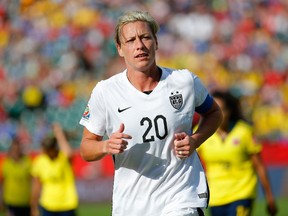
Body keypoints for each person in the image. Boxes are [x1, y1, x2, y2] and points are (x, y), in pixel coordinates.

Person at [79, 10, 223, 216]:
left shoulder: (184, 81)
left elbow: (214, 113)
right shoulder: (105, 92)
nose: (139, 45)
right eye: (130, 40)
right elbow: (86, 147)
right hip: (131, 204)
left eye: (145, 37)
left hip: (181, 196)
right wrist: (105, 145)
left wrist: (195, 140)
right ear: (120, 49)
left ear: (156, 42)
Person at [197, 90, 278, 216]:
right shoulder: (201, 133)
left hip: (242, 192)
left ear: (230, 111)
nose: (218, 114)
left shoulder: (244, 132)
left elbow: (259, 166)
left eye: (222, 109)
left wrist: (269, 196)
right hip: (216, 197)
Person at [30, 122, 78, 216]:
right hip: (48, 205)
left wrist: (59, 134)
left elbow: (69, 153)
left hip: (67, 204)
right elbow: (36, 186)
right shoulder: (40, 161)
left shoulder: (63, 157)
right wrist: (34, 206)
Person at [0, 137, 32, 216]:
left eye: (18, 150)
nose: (16, 152)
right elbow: (2, 183)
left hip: (25, 201)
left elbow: (33, 182)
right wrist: (1, 200)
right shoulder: (5, 164)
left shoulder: (28, 162)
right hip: (10, 201)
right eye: (14, 150)